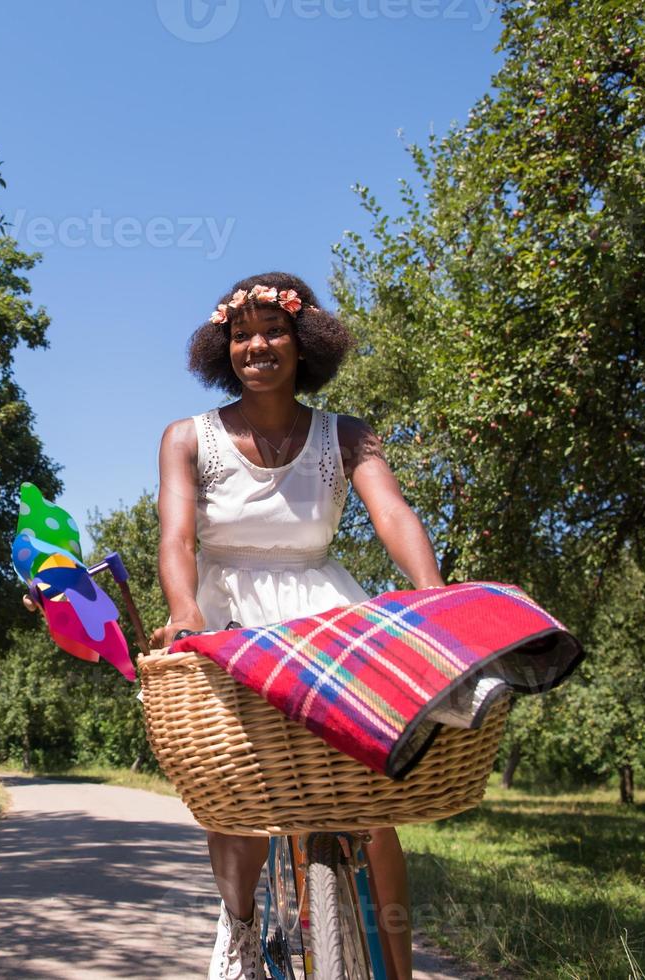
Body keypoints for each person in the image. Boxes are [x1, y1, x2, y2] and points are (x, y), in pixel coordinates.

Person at [151, 272, 443, 980]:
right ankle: (240, 925)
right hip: (226, 615)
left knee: (373, 808)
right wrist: (186, 610)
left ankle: (397, 970)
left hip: (324, 613)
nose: (257, 345)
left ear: (301, 340)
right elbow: (176, 536)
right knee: (241, 799)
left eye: (272, 330)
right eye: (241, 333)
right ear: (223, 348)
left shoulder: (345, 435)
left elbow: (392, 514)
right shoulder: (188, 438)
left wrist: (431, 591)